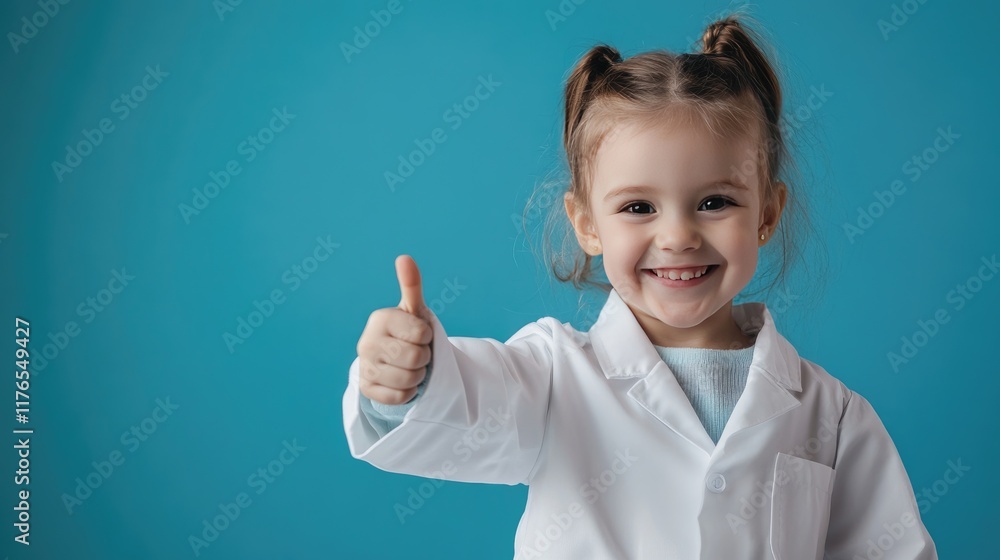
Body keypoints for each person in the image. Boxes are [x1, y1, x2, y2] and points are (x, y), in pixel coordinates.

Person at [342, 13, 938, 560]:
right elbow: (465, 409)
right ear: (587, 225)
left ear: (767, 213)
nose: (677, 236)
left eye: (714, 202)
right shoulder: (551, 376)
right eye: (637, 207)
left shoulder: (831, 416)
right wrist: (408, 378)